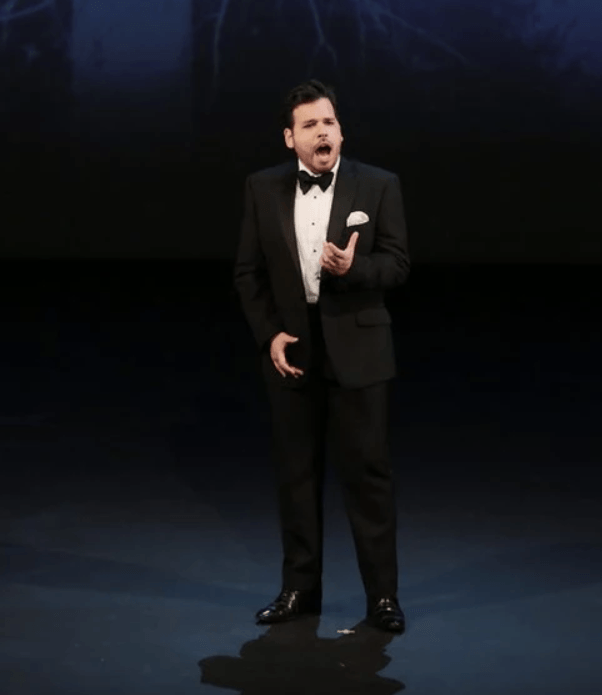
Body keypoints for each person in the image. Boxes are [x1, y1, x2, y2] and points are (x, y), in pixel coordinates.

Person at [233, 79, 410, 633]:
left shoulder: (378, 185)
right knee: (297, 475)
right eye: (309, 125)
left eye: (328, 122)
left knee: (368, 476)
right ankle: (299, 591)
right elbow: (248, 273)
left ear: (341, 131)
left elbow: (397, 263)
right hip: (295, 350)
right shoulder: (262, 188)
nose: (321, 132)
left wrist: (353, 269)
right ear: (291, 138)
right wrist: (270, 335)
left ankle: (383, 598)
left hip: (359, 349)